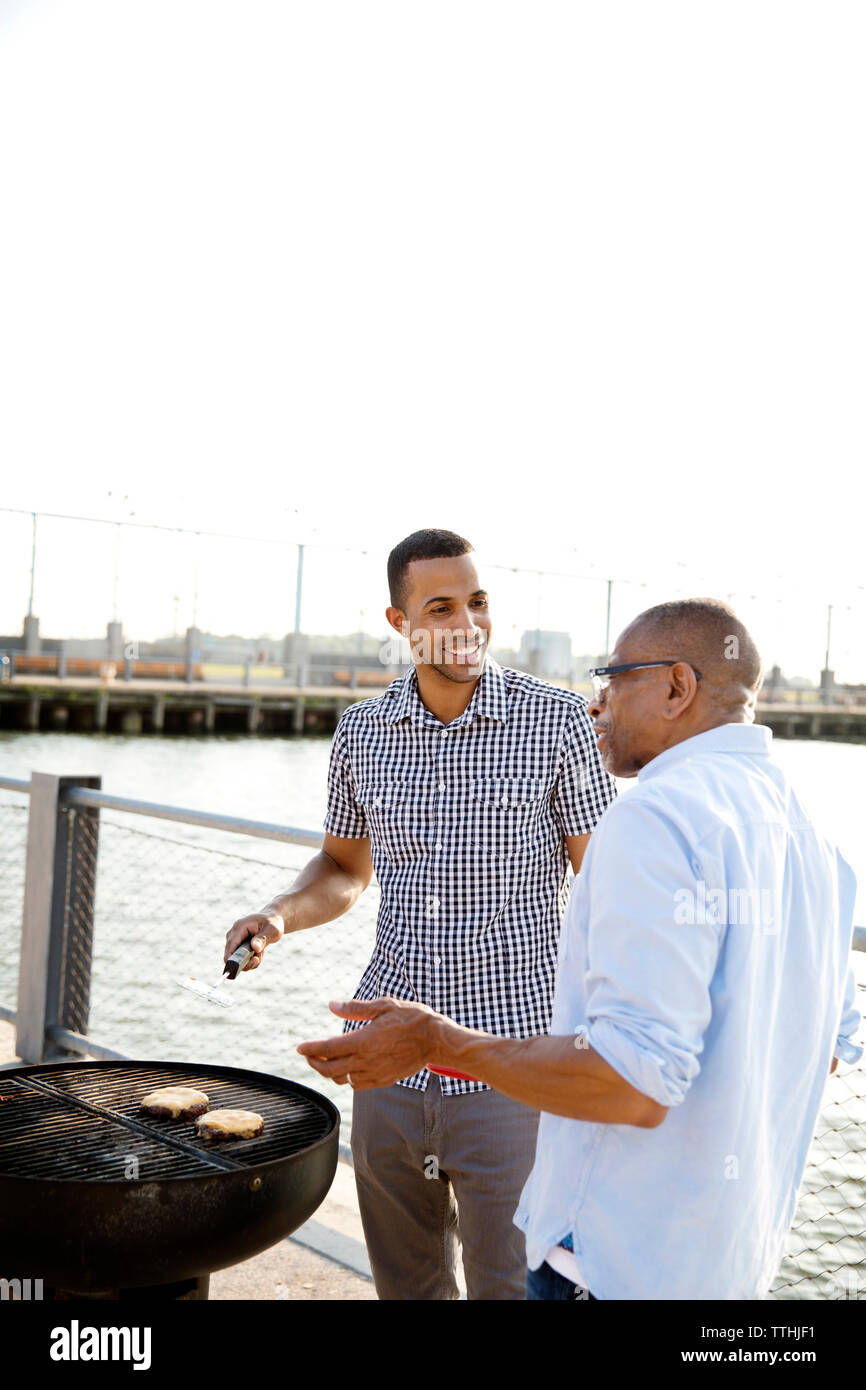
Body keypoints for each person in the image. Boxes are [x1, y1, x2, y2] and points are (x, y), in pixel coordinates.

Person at [298, 598, 863, 1300]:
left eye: (616, 678)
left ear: (676, 687)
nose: (597, 702)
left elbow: (632, 1079)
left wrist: (439, 1042)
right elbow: (833, 1042)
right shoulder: (819, 840)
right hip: (729, 1270)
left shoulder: (656, 820)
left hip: (607, 1267)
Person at [226, 527, 616, 1299]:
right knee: (406, 1288)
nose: (466, 623)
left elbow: (608, 890)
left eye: (478, 601)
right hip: (387, 1066)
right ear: (399, 624)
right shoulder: (361, 732)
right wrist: (276, 917)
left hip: (514, 1069)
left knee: (514, 1287)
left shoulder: (559, 722)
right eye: (441, 606)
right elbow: (343, 868)